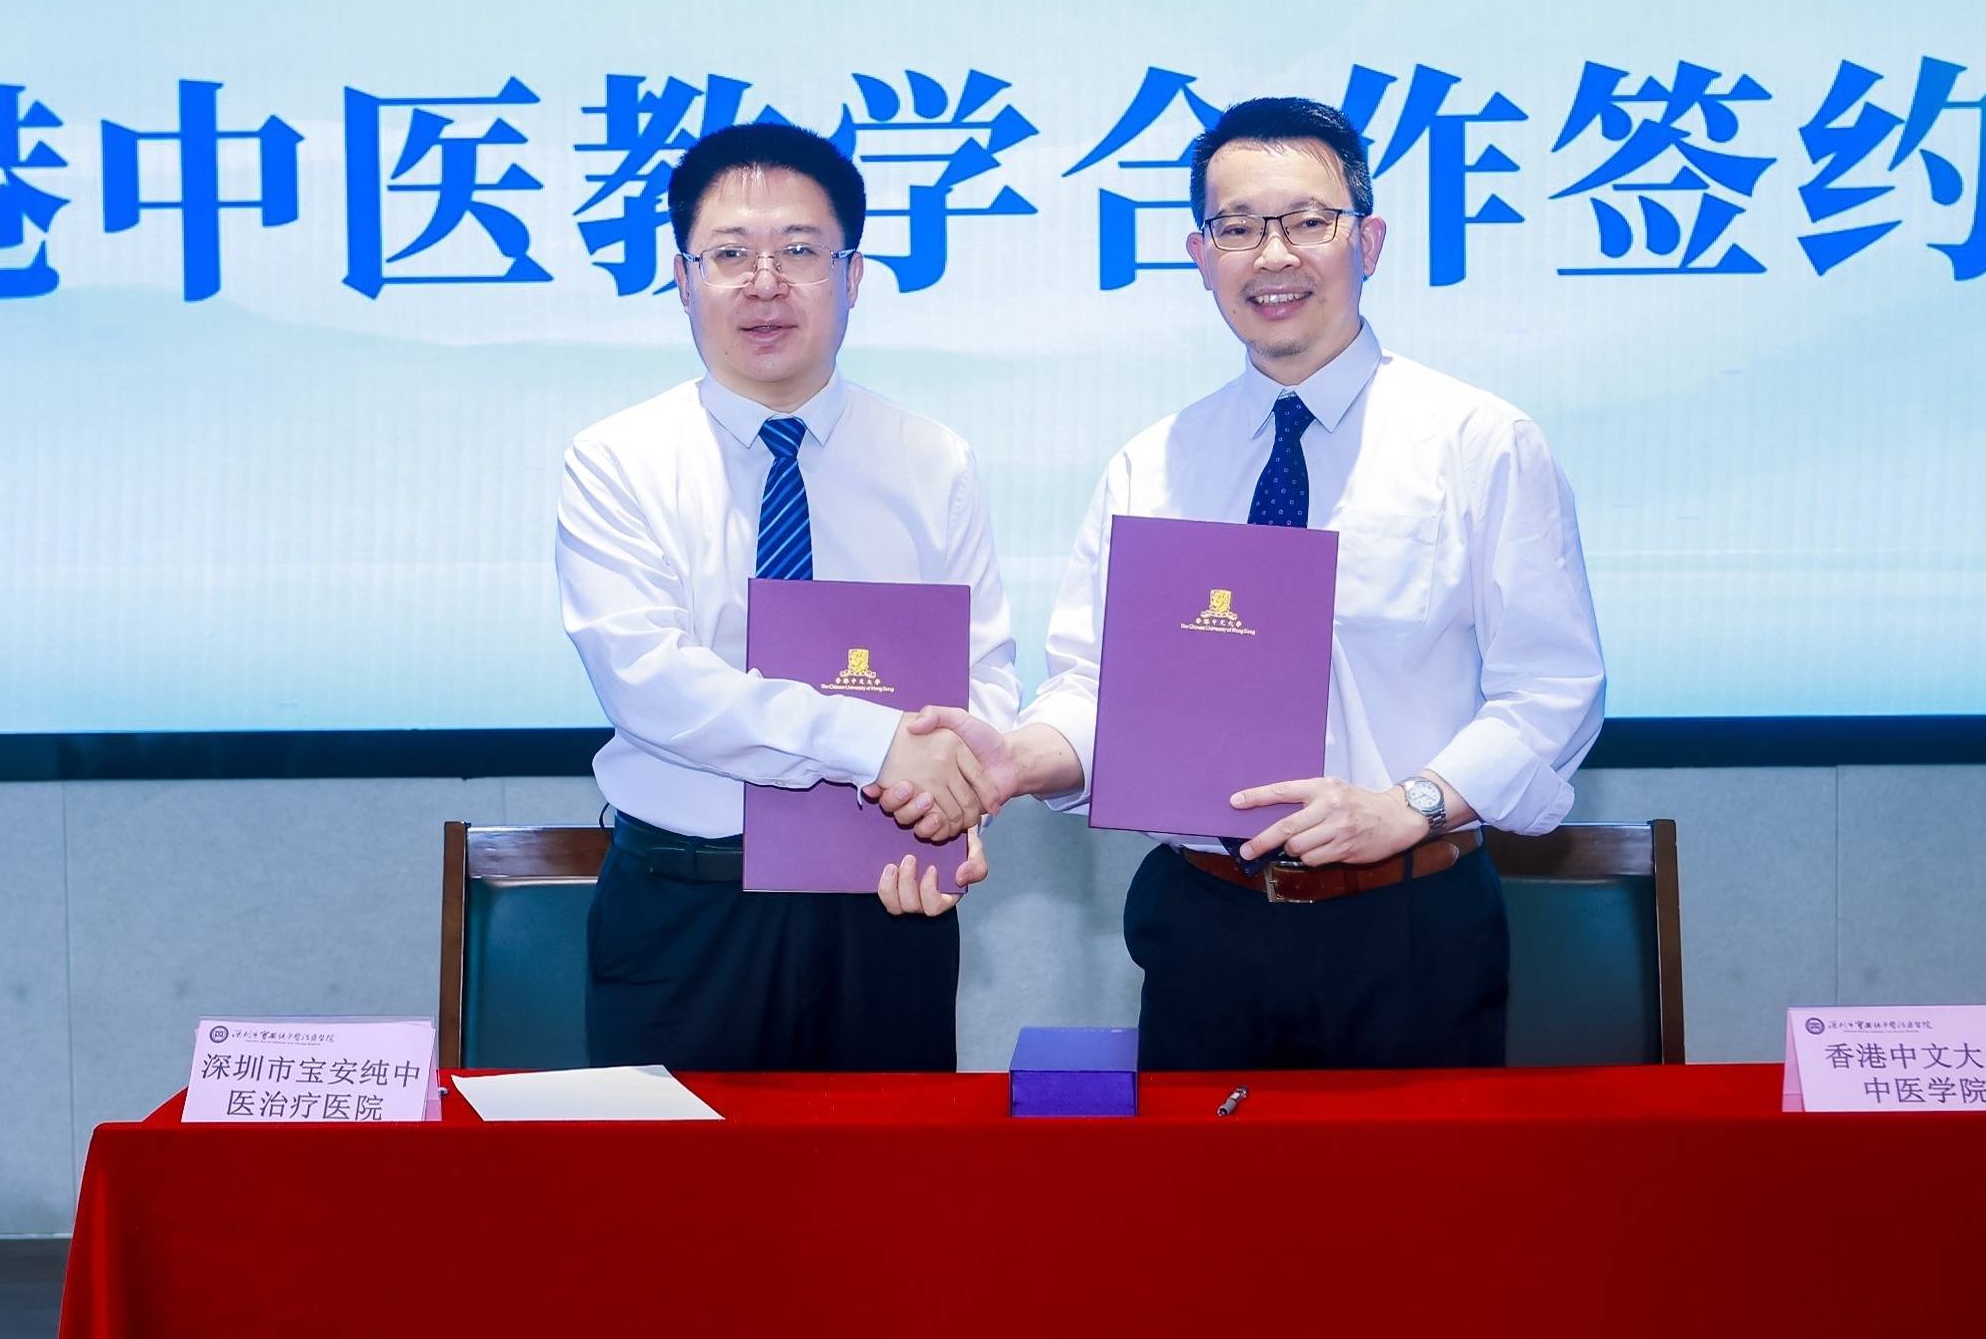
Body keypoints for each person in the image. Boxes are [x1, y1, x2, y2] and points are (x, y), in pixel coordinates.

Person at [877, 96, 1605, 1068]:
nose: (1273, 255)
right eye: (1238, 228)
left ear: (1368, 240)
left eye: (1307, 222)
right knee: (1195, 1176)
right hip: (1205, 926)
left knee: (1415, 1177)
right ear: (1200, 255)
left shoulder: (1478, 443)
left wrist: (1408, 805)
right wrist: (1014, 760)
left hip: (1409, 926)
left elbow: (1552, 689)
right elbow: (1097, 689)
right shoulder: (1154, 464)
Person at [556, 121, 1014, 1070]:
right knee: (674, 1169)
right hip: (687, 912)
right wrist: (877, 741)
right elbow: (650, 682)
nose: (765, 283)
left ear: (853, 276)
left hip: (889, 894)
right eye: (731, 254)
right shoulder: (617, 461)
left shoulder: (933, 462)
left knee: (893, 1165)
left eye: (800, 251)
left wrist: (960, 803)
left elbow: (982, 678)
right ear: (682, 279)